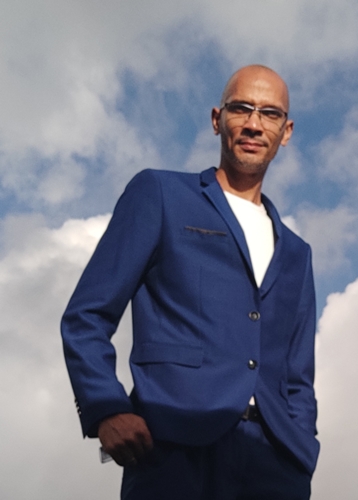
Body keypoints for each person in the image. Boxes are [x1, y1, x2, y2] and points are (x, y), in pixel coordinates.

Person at [61, 64, 319, 500]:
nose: (254, 124)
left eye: (270, 114)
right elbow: (87, 315)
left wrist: (301, 449)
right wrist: (105, 407)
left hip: (276, 465)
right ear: (218, 119)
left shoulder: (297, 252)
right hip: (173, 446)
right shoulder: (160, 194)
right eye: (241, 108)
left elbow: (298, 373)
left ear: (286, 131)